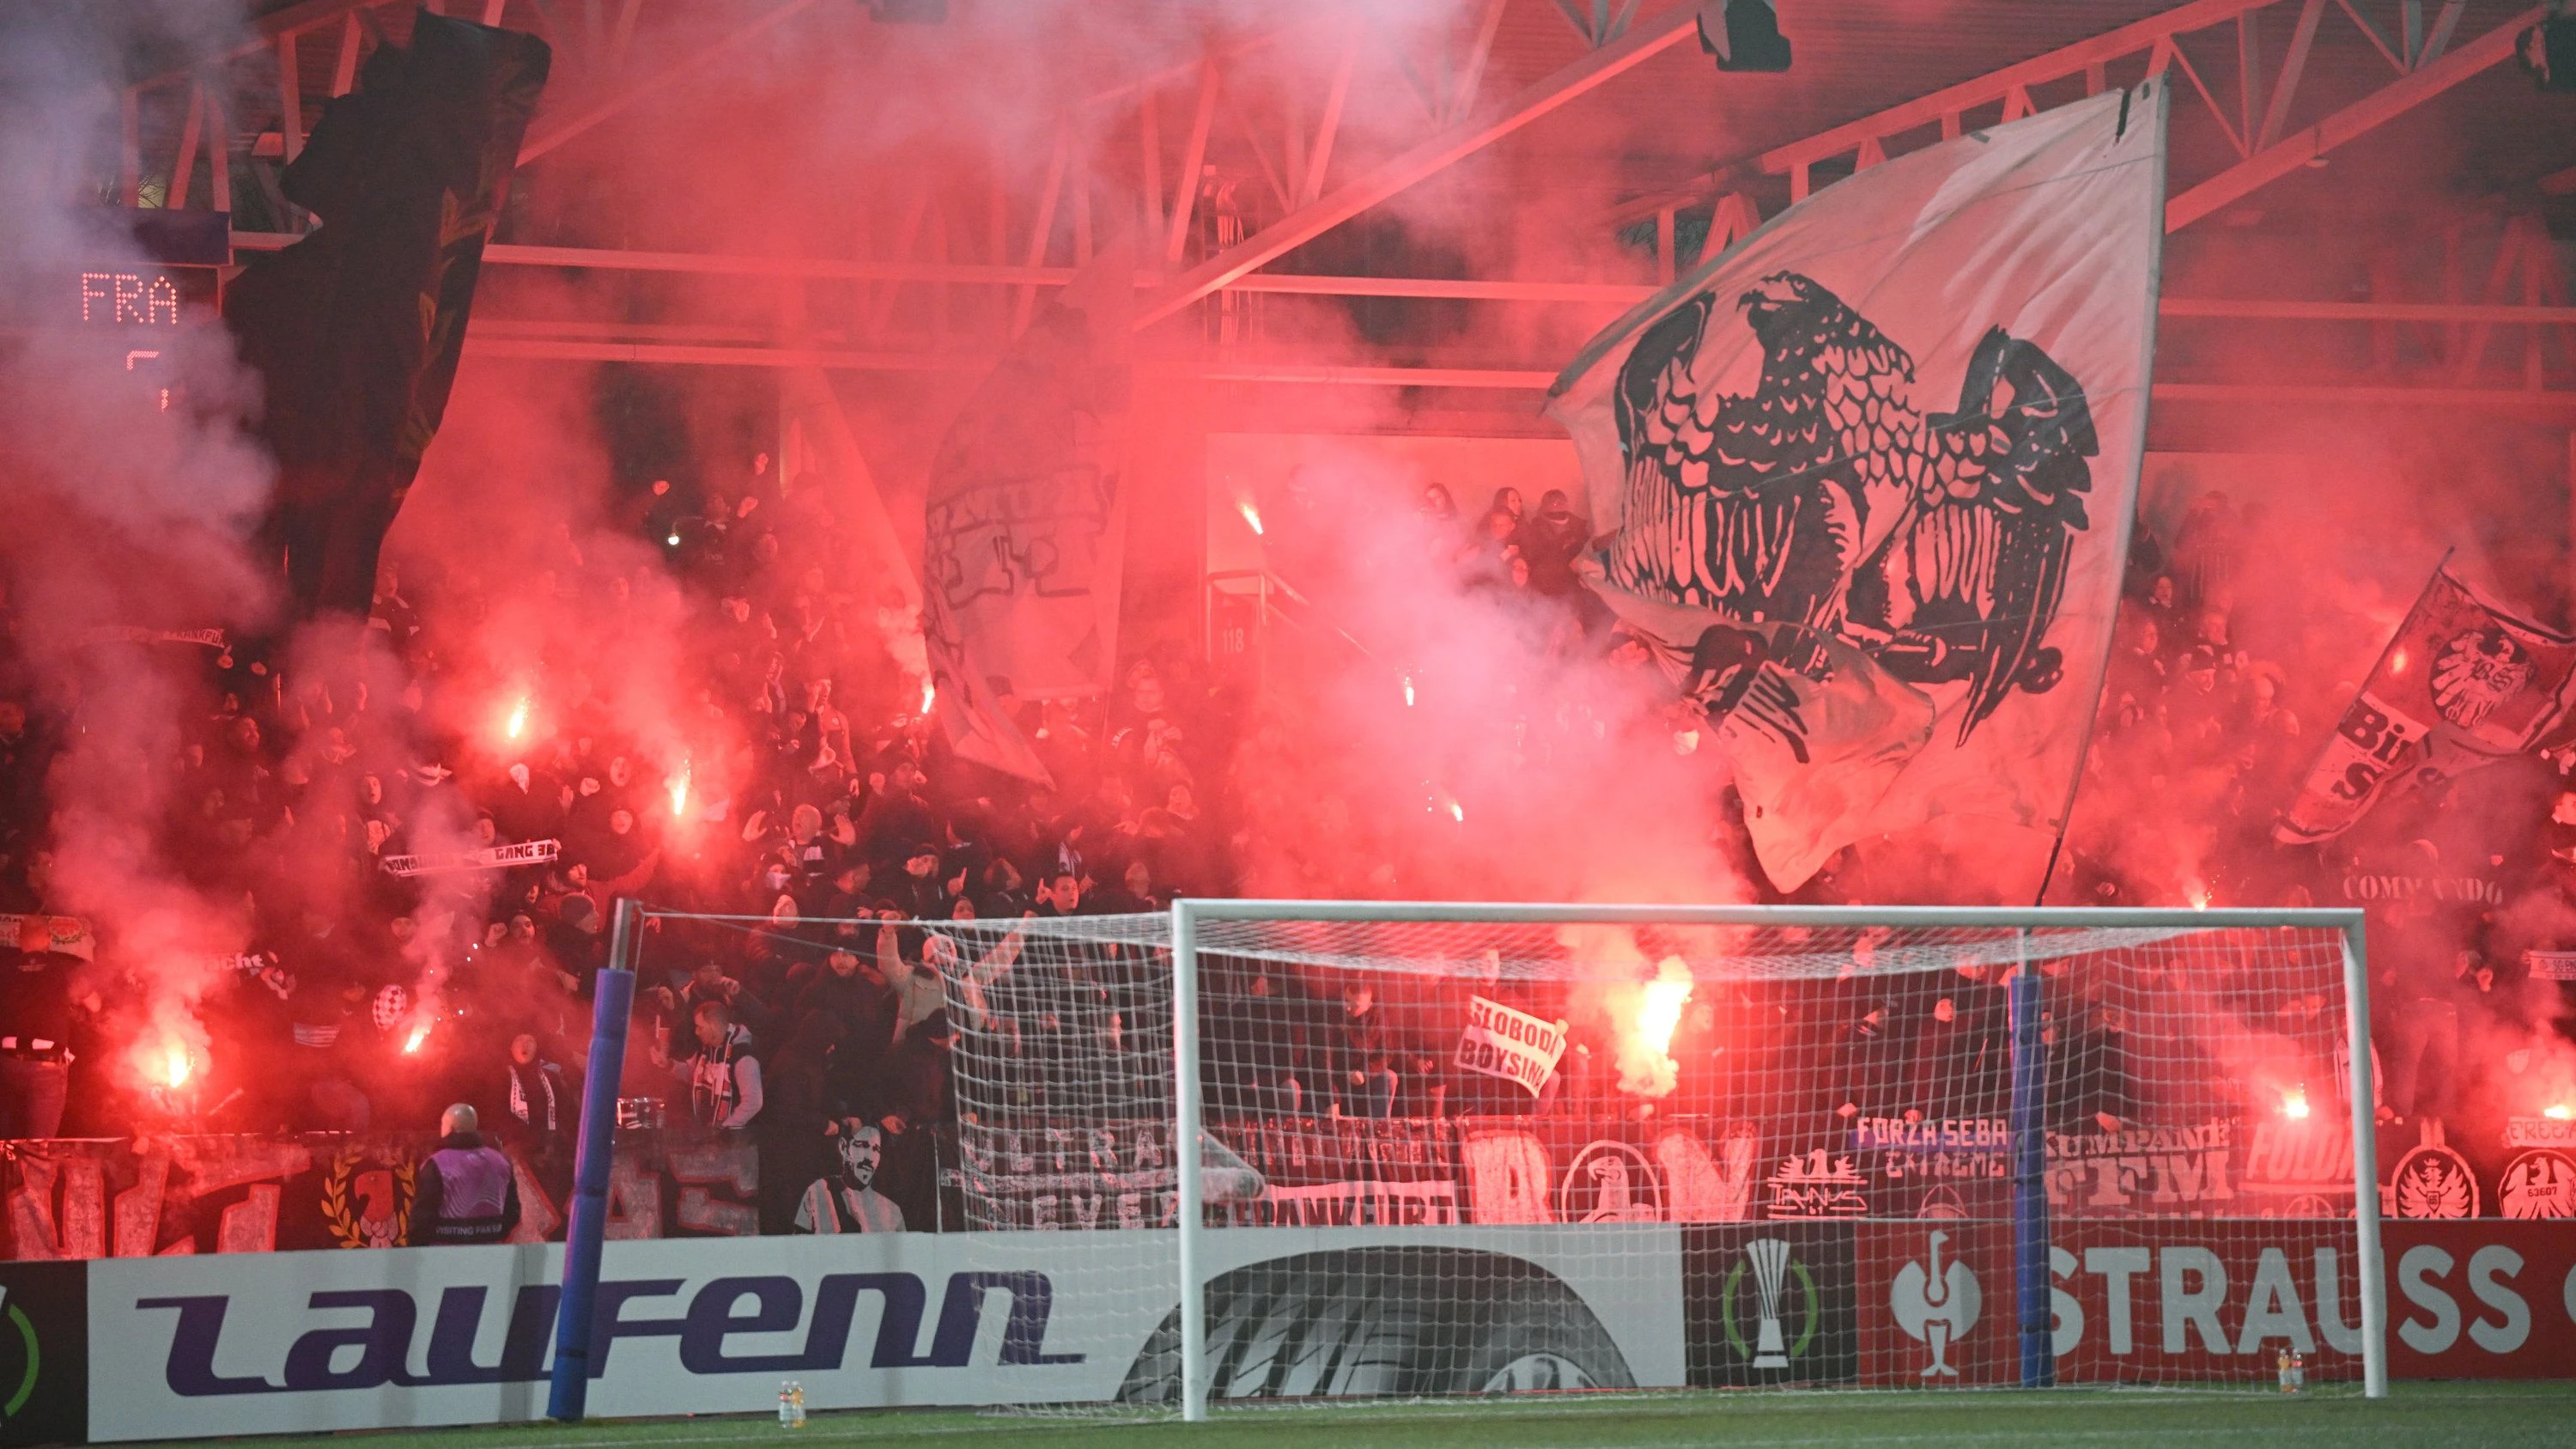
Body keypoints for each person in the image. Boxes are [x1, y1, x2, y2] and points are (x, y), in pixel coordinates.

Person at [411, 1104, 522, 1245]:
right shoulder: (501, 1162)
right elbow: (513, 1213)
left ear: (450, 1128)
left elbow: (421, 1219)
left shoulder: (436, 1164)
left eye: (443, 1124)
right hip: (490, 1254)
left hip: (446, 1256)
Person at [793, 1117, 904, 1233]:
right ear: (844, 1148)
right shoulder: (819, 1191)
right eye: (862, 1145)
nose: (869, 1157)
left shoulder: (892, 1212)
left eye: (876, 1149)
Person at [665, 999, 763, 1130]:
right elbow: (692, 1074)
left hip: (733, 1144)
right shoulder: (705, 1050)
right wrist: (668, 1064)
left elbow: (753, 1102)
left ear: (714, 1026)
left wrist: (723, 1128)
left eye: (700, 1027)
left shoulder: (743, 1056)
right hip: (708, 1138)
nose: (696, 1032)